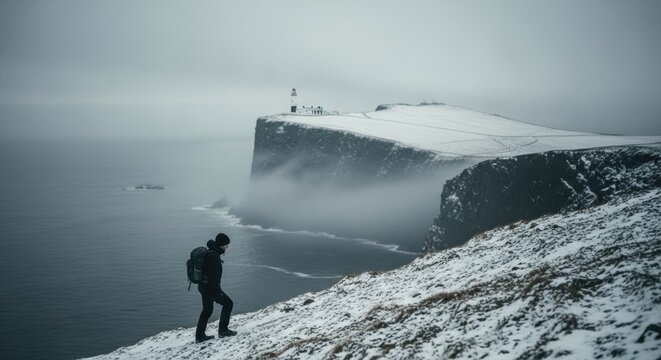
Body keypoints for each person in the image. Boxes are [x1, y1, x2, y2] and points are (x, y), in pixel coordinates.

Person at [195, 233, 237, 343]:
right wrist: (218, 292)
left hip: (203, 286)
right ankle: (223, 331)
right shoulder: (214, 256)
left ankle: (199, 336)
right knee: (228, 303)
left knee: (207, 310)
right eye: (226, 245)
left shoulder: (211, 252)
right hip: (209, 288)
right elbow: (213, 277)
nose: (227, 247)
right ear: (220, 244)